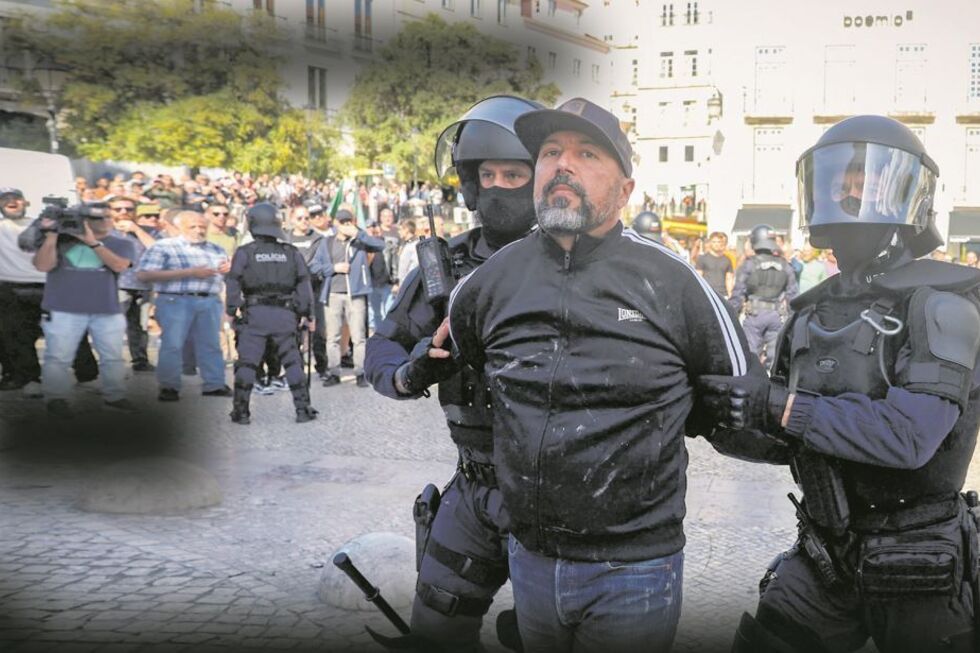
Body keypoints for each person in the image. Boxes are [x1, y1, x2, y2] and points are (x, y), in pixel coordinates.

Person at [448, 97, 755, 653]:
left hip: (633, 568)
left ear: (626, 190)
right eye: (550, 152)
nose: (563, 165)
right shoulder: (490, 282)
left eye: (587, 153)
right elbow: (471, 362)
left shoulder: (675, 284)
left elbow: (737, 400)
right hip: (532, 559)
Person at [697, 115, 980, 653]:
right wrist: (717, 416)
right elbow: (788, 439)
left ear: (904, 194)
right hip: (825, 554)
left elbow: (909, 438)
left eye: (865, 181)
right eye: (840, 182)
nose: (851, 194)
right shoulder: (811, 313)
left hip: (918, 559)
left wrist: (779, 407)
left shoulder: (944, 306)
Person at [365, 95, 545, 652]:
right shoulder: (445, 267)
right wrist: (411, 372)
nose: (496, 185)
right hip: (472, 488)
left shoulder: (573, 261)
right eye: (485, 173)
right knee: (436, 627)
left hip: (553, 494)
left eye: (513, 173)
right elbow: (382, 348)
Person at [30, 202, 135, 417]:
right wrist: (51, 236)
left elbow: (120, 266)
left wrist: (93, 243)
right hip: (63, 307)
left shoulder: (121, 242)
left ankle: (115, 396)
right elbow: (42, 266)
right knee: (58, 356)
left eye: (107, 216)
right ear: (83, 220)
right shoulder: (62, 242)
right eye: (97, 218)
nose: (104, 221)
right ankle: (56, 398)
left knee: (113, 356)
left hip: (106, 308)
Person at [225, 203, 317, 424]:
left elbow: (233, 282)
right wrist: (309, 315)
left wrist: (231, 311)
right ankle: (303, 410)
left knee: (247, 363)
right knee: (293, 362)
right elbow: (304, 285)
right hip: (285, 315)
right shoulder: (291, 253)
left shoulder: (245, 252)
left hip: (255, 314)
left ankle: (241, 412)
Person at [136, 210, 232, 401]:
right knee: (172, 344)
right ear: (179, 227)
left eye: (202, 227)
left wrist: (229, 269)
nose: (198, 230)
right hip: (175, 300)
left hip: (209, 300)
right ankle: (169, 387)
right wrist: (188, 272)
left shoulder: (216, 249)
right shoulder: (164, 247)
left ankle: (214, 384)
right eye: (193, 226)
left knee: (211, 344)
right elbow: (144, 274)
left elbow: (224, 275)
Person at [310, 208, 384, 388]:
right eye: (342, 222)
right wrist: (334, 268)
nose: (345, 225)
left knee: (359, 337)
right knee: (332, 337)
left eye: (348, 222)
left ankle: (361, 373)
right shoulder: (326, 242)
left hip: (356, 294)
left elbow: (380, 245)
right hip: (333, 294)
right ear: (335, 223)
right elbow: (314, 266)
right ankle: (333, 372)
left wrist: (359, 233)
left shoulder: (359, 241)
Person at [730, 224, 798, 364]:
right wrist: (793, 320)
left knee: (751, 357)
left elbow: (738, 294)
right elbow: (793, 295)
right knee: (776, 358)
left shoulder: (748, 265)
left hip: (754, 316)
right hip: (777, 316)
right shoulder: (785, 265)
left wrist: (731, 316)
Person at [109, 197, 161, 372]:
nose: (124, 212)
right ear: (110, 211)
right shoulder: (104, 231)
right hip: (117, 284)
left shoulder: (148, 231)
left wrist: (137, 230)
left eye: (128, 209)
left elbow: (159, 250)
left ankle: (140, 360)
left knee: (141, 324)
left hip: (144, 284)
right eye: (118, 209)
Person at [697, 230, 735, 298]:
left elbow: (729, 278)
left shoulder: (727, 260)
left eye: (719, 242)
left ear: (722, 243)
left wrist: (730, 293)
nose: (716, 244)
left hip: (723, 294)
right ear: (710, 243)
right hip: (707, 293)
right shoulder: (702, 258)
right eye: (714, 242)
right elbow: (698, 277)